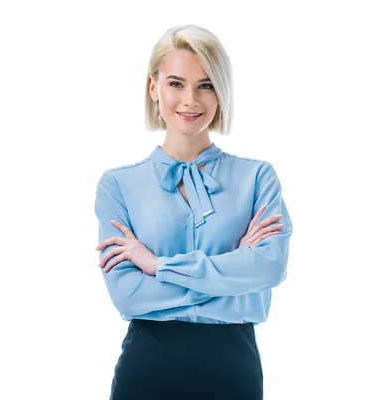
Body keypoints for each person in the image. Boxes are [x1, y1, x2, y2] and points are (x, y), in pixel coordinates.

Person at [93, 24, 293, 399]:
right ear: (154, 88)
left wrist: (159, 267)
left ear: (222, 91)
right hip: (148, 368)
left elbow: (269, 268)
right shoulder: (118, 185)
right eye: (176, 83)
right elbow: (128, 296)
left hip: (234, 370)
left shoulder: (256, 177)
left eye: (206, 84)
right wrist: (234, 280)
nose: (191, 100)